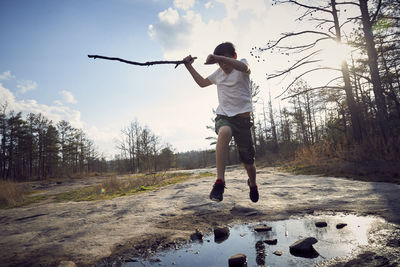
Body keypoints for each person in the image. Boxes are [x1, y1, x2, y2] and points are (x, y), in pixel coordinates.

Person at [183, 42, 259, 203]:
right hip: (224, 117)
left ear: (234, 57)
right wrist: (189, 67)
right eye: (219, 62)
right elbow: (202, 83)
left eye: (225, 60)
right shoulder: (218, 74)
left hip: (243, 121)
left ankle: (252, 183)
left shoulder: (242, 65)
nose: (222, 65)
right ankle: (219, 182)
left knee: (248, 164)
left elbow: (245, 68)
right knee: (224, 132)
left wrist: (218, 57)